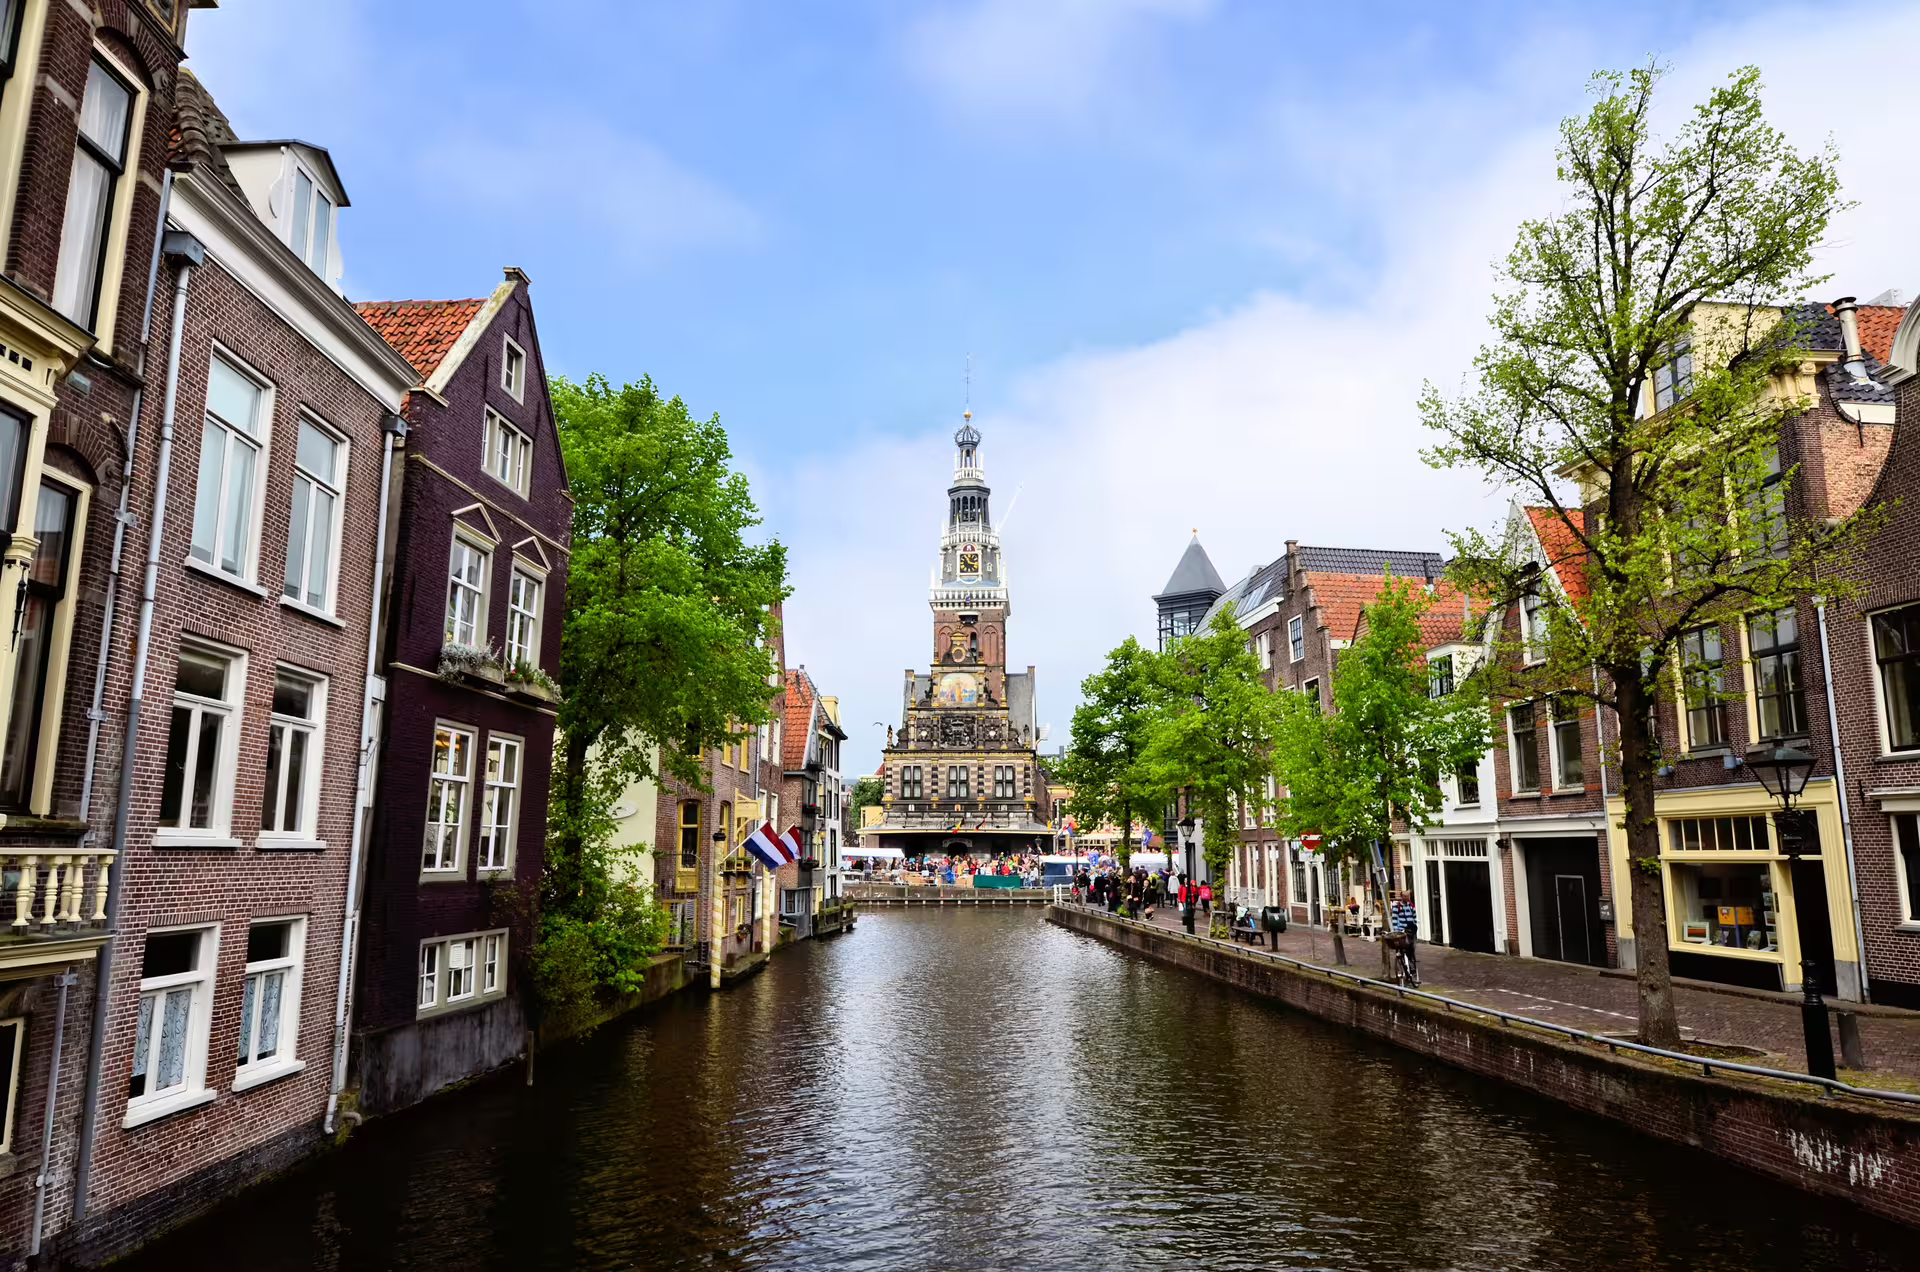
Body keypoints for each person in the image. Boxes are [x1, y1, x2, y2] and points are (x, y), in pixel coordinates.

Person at [1391, 889, 1419, 978]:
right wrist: (1396, 930)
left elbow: (1414, 916)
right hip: (1401, 930)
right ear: (1402, 897)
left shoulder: (1411, 906)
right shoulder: (1397, 906)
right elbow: (1395, 919)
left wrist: (1414, 925)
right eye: (1405, 896)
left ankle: (1412, 969)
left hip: (1411, 930)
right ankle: (1403, 967)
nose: (1407, 898)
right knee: (1402, 949)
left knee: (1411, 950)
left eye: (1408, 896)